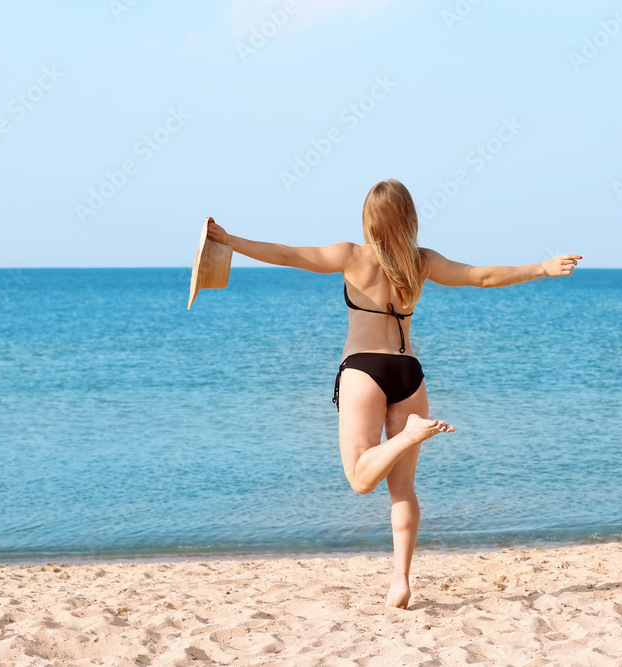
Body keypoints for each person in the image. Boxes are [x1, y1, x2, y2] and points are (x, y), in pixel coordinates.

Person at [205, 179, 580, 608]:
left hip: (364, 369)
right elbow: (483, 277)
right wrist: (541, 268)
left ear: (369, 217)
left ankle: (407, 435)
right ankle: (400, 581)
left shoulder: (351, 256)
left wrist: (231, 241)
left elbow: (289, 255)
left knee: (360, 479)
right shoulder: (422, 263)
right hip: (410, 374)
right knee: (403, 489)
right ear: (409, 217)